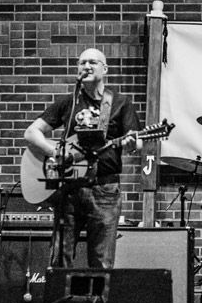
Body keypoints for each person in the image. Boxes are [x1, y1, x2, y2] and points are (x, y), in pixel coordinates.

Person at [23, 48, 141, 270]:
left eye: (93, 62)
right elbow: (31, 133)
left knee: (102, 262)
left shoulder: (119, 103)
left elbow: (137, 141)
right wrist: (57, 153)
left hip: (104, 190)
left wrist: (132, 143)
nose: (86, 66)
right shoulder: (68, 102)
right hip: (69, 189)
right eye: (82, 62)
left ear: (105, 69)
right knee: (59, 260)